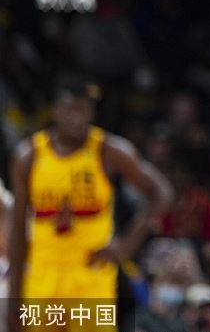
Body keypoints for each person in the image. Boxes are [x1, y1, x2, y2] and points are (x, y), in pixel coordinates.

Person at [7, 74, 174, 331]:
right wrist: (14, 298)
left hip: (90, 274)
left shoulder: (109, 150)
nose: (77, 117)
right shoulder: (28, 156)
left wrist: (127, 245)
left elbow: (162, 192)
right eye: (70, 109)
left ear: (92, 113)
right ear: (55, 110)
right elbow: (18, 229)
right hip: (41, 274)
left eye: (83, 109)